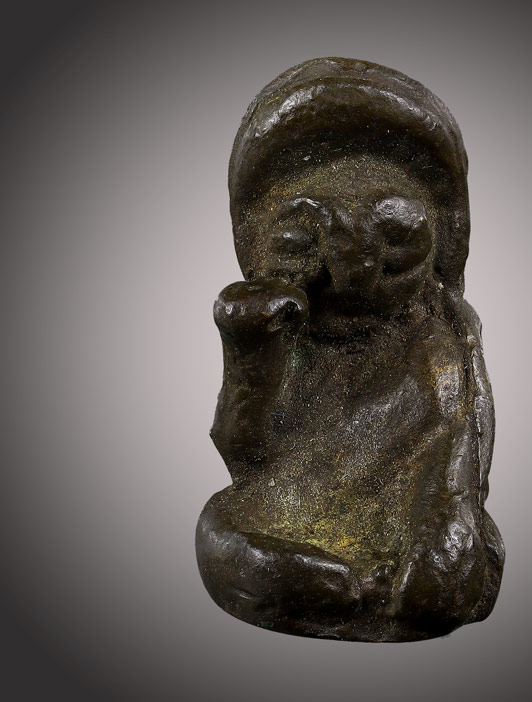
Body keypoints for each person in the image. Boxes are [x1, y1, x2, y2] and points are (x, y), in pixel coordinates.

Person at [196, 58, 504, 641]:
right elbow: (246, 453)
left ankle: (373, 593)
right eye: (304, 241)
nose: (352, 273)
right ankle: (349, 591)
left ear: (442, 238)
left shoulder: (445, 338)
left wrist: (448, 527)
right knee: (227, 544)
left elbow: (460, 455)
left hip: (411, 519)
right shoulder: (284, 332)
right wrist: (248, 352)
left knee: (444, 578)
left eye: (396, 238)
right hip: (285, 508)